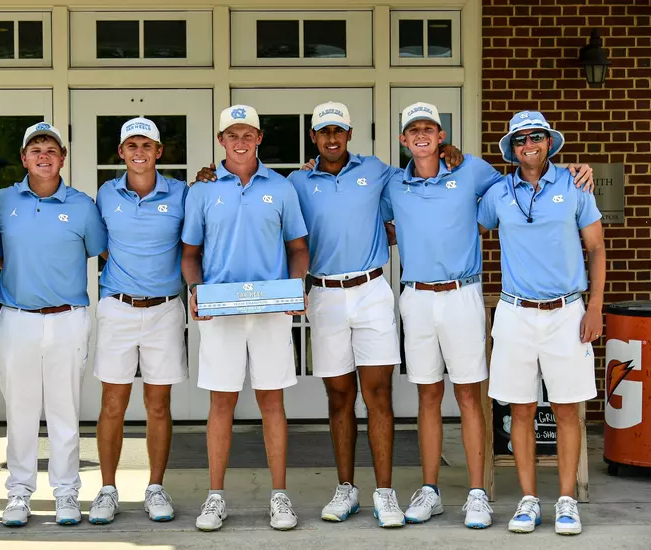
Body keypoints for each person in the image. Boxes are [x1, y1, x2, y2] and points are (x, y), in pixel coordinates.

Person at [196, 102, 462, 528]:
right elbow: (278, 225)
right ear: (314, 138)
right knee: (338, 397)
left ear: (350, 133)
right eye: (324, 132)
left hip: (372, 290)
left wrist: (452, 153)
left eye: (338, 131)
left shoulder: (376, 170)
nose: (332, 139)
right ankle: (346, 489)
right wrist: (208, 177)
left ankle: (385, 491)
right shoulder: (296, 182)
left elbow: (420, 172)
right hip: (323, 292)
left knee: (378, 395)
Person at [381, 103, 593, 528]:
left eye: (430, 128)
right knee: (427, 394)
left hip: (464, 293)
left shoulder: (475, 171)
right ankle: (430, 491)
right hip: (416, 295)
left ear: (442, 136)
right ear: (403, 139)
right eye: (412, 130)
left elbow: (525, 180)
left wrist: (574, 167)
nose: (421, 135)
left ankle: (478, 492)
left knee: (469, 394)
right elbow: (379, 219)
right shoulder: (391, 183)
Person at [181, 105, 310, 532]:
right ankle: (215, 497)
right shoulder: (201, 189)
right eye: (232, 134)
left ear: (259, 139)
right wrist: (195, 292)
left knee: (273, 402)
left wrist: (297, 287)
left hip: (272, 310)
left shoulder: (282, 187)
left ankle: (279, 497)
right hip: (221, 312)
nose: (240, 141)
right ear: (221, 140)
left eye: (248, 134)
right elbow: (190, 256)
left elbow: (298, 248)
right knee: (222, 402)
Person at [478, 110, 605, 536]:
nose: (527, 145)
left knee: (568, 409)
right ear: (511, 150)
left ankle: (566, 499)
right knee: (521, 409)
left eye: (535, 137)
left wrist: (595, 306)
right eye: (519, 140)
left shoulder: (575, 185)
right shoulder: (498, 193)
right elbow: (468, 218)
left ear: (549, 142)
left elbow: (597, 248)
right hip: (515, 311)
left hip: (567, 311)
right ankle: (529, 500)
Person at [0, 122, 105, 527]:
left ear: (62, 158)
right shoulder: (3, 201)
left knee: (64, 409)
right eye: (35, 148)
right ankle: (19, 493)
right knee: (18, 409)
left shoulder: (83, 206)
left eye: (51, 148)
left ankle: (67, 492)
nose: (43, 154)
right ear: (23, 158)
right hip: (16, 319)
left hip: (67, 318)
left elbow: (97, 250)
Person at [88, 118, 188, 525]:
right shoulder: (106, 194)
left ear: (159, 151)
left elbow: (194, 243)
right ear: (121, 152)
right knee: (112, 404)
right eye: (132, 145)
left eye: (147, 145)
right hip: (118, 307)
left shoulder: (183, 193)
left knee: (158, 405)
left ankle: (155, 488)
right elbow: (100, 247)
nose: (139, 152)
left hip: (165, 309)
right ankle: (108, 489)